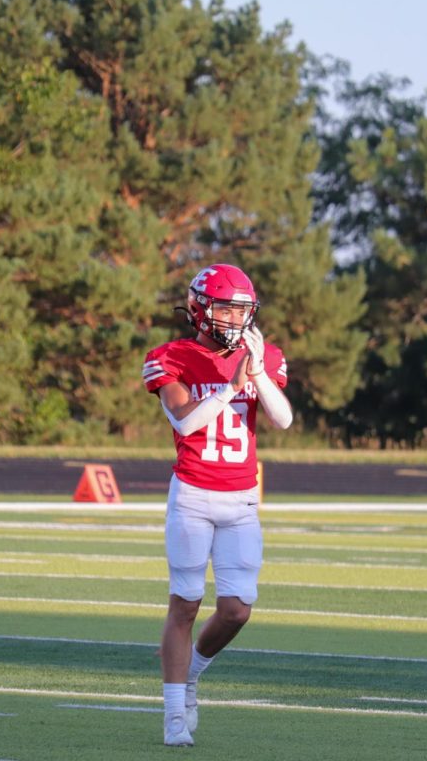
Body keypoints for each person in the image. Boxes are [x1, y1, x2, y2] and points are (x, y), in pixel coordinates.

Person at [142, 263, 293, 747]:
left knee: (237, 609)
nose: (237, 320)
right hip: (192, 495)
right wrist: (231, 385)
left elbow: (283, 420)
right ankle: (171, 713)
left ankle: (192, 675)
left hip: (242, 498)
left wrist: (256, 375)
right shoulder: (171, 357)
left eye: (244, 310)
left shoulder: (264, 355)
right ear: (200, 310)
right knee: (185, 603)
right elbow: (187, 423)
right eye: (227, 309)